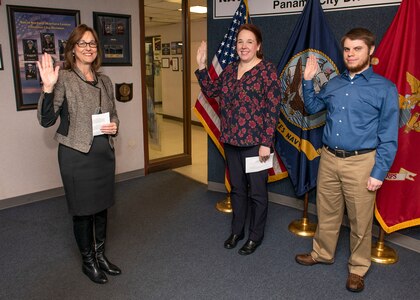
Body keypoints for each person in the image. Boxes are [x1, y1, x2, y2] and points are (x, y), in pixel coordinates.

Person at [295, 28, 399, 292]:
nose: (351, 54)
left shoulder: (385, 88)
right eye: (347, 49)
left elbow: (389, 136)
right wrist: (308, 81)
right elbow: (313, 108)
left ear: (370, 51)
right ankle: (322, 254)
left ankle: (358, 268)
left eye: (357, 49)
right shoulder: (335, 83)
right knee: (327, 213)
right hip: (329, 158)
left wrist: (379, 171)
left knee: (360, 220)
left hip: (362, 163)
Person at [37, 24, 121, 284]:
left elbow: (114, 114)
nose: (88, 48)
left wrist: (115, 126)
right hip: (76, 156)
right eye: (82, 44)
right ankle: (88, 262)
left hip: (102, 155)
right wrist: (48, 89)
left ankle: (100, 255)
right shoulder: (64, 79)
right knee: (83, 211)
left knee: (101, 208)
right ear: (72, 49)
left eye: (92, 43)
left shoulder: (105, 81)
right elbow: (46, 119)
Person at [195, 24, 281, 255]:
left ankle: (255, 235)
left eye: (249, 42)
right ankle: (237, 231)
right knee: (237, 189)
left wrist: (266, 143)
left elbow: (273, 109)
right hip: (231, 141)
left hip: (255, 144)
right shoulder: (231, 69)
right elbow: (212, 91)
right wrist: (202, 66)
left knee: (257, 193)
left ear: (258, 46)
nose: (244, 46)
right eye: (240, 41)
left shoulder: (267, 71)